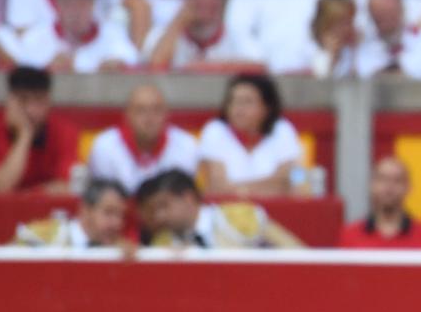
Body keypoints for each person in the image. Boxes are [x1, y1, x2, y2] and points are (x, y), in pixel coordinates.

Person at [197, 72, 306, 199]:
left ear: (266, 107)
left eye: (247, 102)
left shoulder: (282, 129)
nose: (238, 109)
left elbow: (289, 181)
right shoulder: (215, 130)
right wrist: (269, 186)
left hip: (276, 212)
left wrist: (239, 190)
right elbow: (217, 187)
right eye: (233, 101)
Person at [135, 167, 303, 249]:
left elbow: (295, 251)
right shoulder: (162, 242)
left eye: (164, 206)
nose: (159, 216)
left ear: (188, 197)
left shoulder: (240, 217)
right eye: (155, 211)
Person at [0, 65, 79, 193]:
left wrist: (28, 194)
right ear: (10, 102)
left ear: (48, 102)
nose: (31, 110)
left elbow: (68, 187)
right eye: (23, 100)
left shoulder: (65, 132)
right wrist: (25, 135)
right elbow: (0, 187)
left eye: (38, 100)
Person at [85, 82, 201, 193]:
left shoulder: (186, 145)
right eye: (141, 110)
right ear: (127, 115)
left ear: (167, 114)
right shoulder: (104, 146)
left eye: (156, 110)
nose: (149, 118)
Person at [338, 155, 421, 250]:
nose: (389, 187)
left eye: (397, 180)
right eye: (382, 179)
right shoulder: (349, 236)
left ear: (408, 187)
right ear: (371, 185)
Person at [13, 177, 131, 248]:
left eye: (121, 216)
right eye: (108, 213)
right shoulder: (42, 236)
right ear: (85, 210)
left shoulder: (120, 248)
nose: (117, 223)